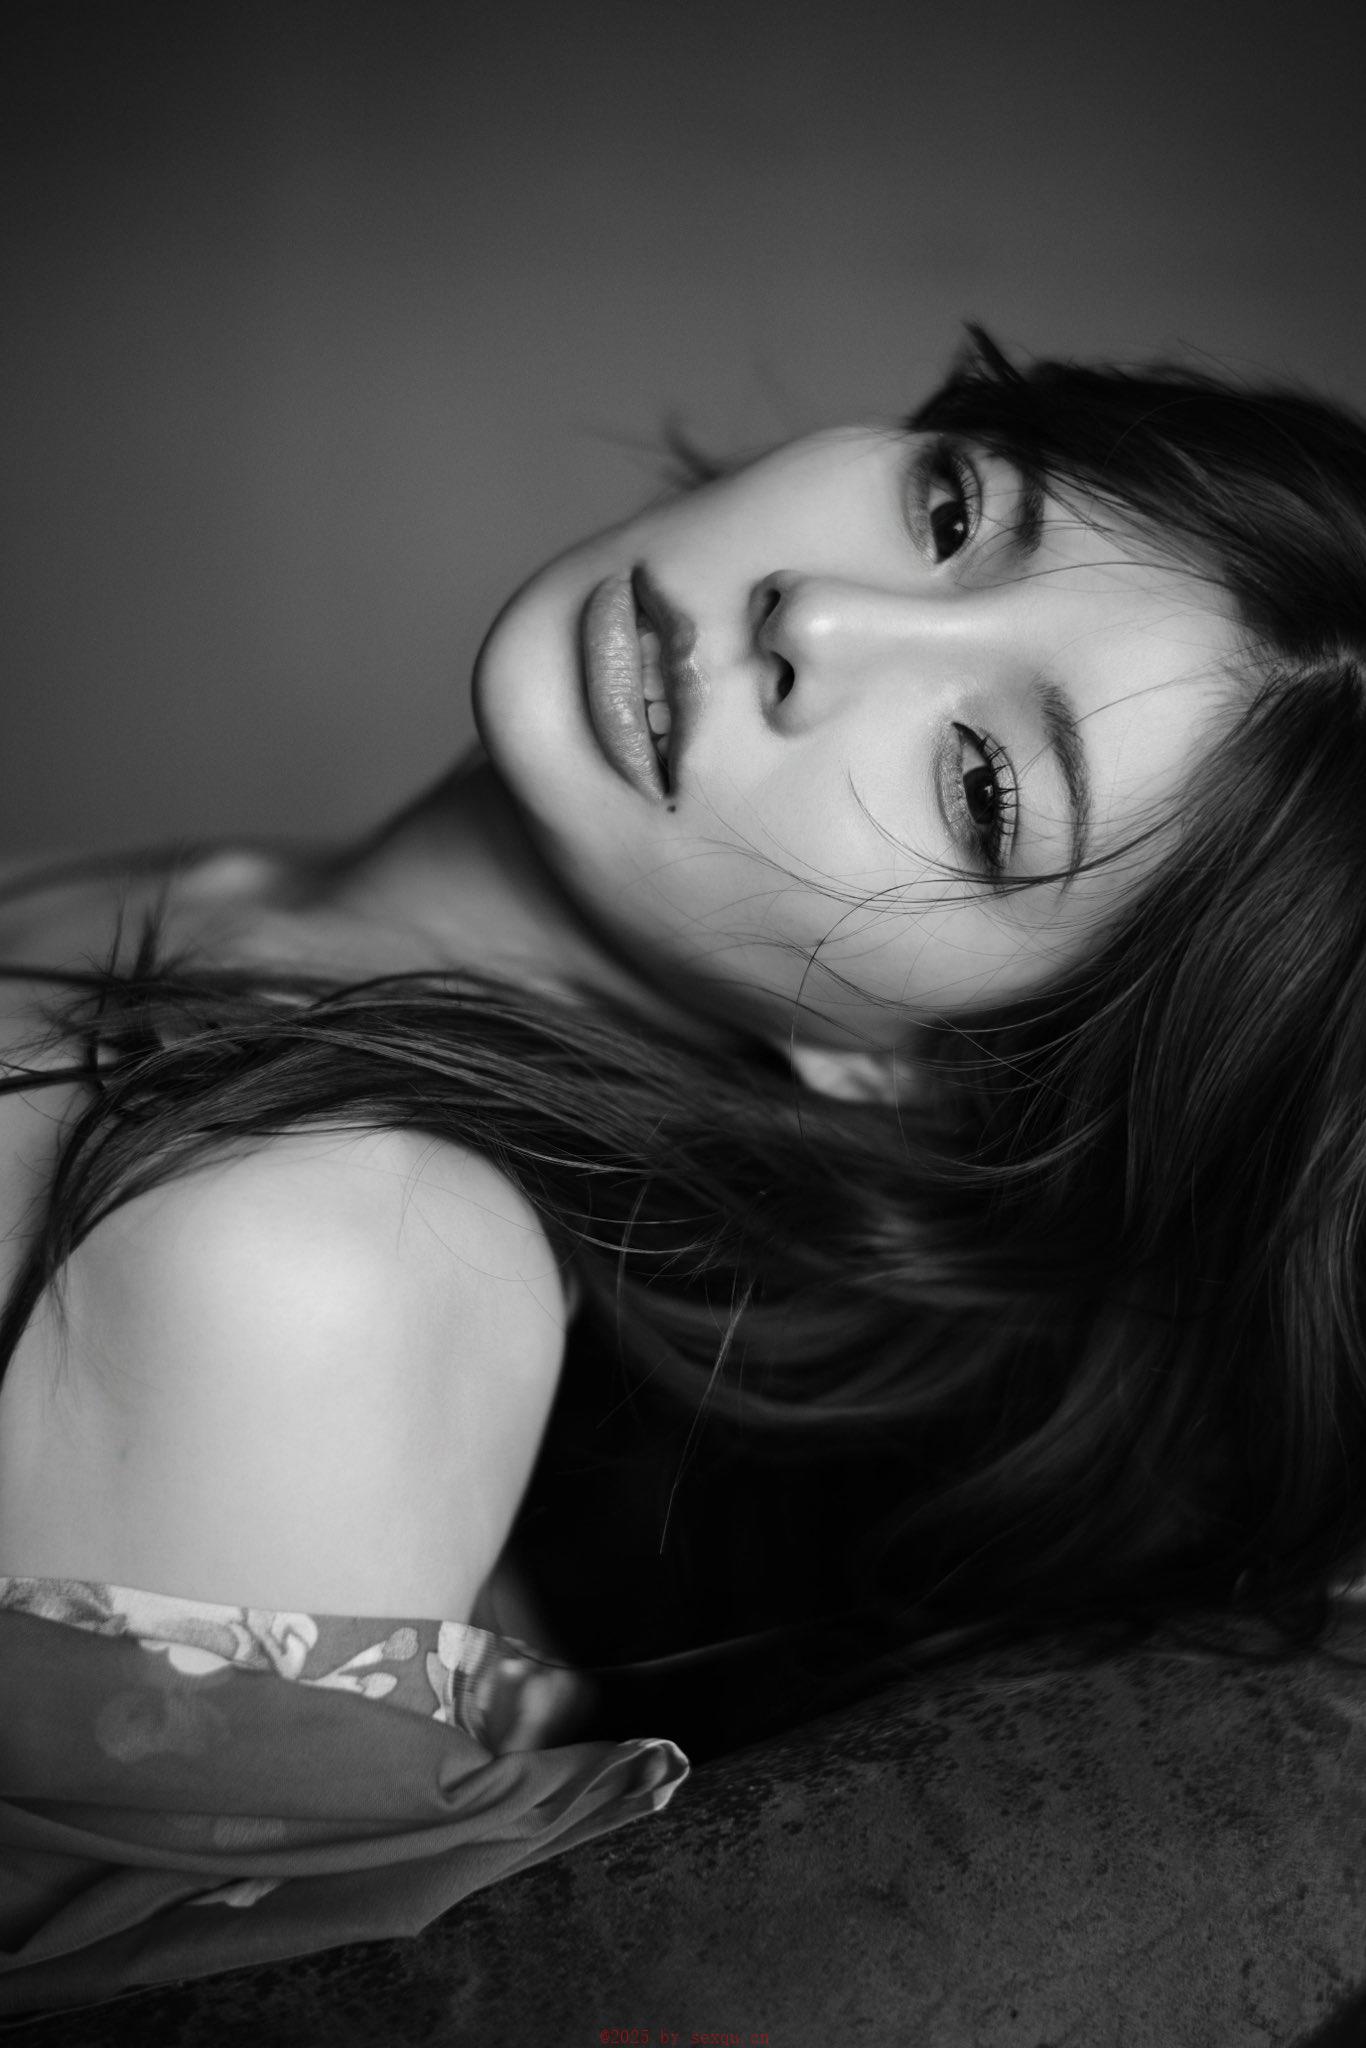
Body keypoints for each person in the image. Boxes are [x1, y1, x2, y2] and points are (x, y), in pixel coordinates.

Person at [4, 325, 1366, 2013]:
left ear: (915, 1065)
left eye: (981, 784)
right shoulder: (233, 910)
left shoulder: (321, 1256)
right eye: (954, 513)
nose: (819, 618)